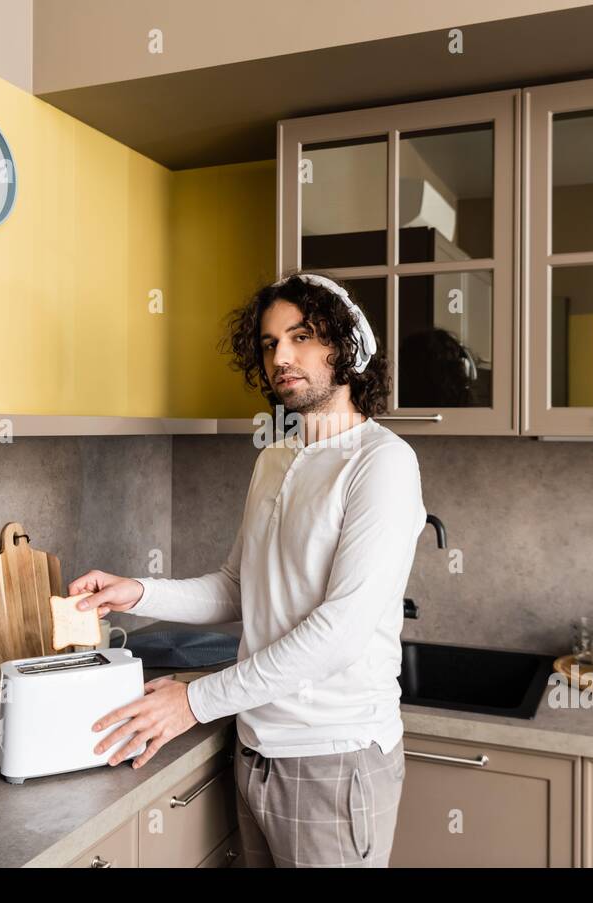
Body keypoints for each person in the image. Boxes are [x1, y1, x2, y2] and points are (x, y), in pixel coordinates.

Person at [67, 271, 428, 867]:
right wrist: (136, 591)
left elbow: (338, 634)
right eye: (268, 343)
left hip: (333, 760)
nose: (281, 356)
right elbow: (238, 588)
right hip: (256, 748)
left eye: (302, 335)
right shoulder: (275, 458)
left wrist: (193, 701)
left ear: (347, 348)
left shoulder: (382, 463)